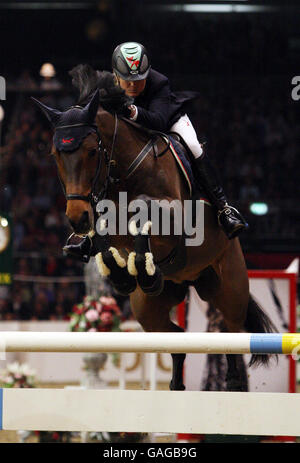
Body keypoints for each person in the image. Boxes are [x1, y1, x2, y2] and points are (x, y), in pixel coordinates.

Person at [112, 42, 247, 239]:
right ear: (115, 75)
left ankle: (223, 209)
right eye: (127, 80)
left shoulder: (159, 82)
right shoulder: (106, 87)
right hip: (131, 131)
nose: (133, 85)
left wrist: (131, 111)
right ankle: (89, 232)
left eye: (138, 80)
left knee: (194, 147)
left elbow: (158, 121)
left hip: (168, 122)